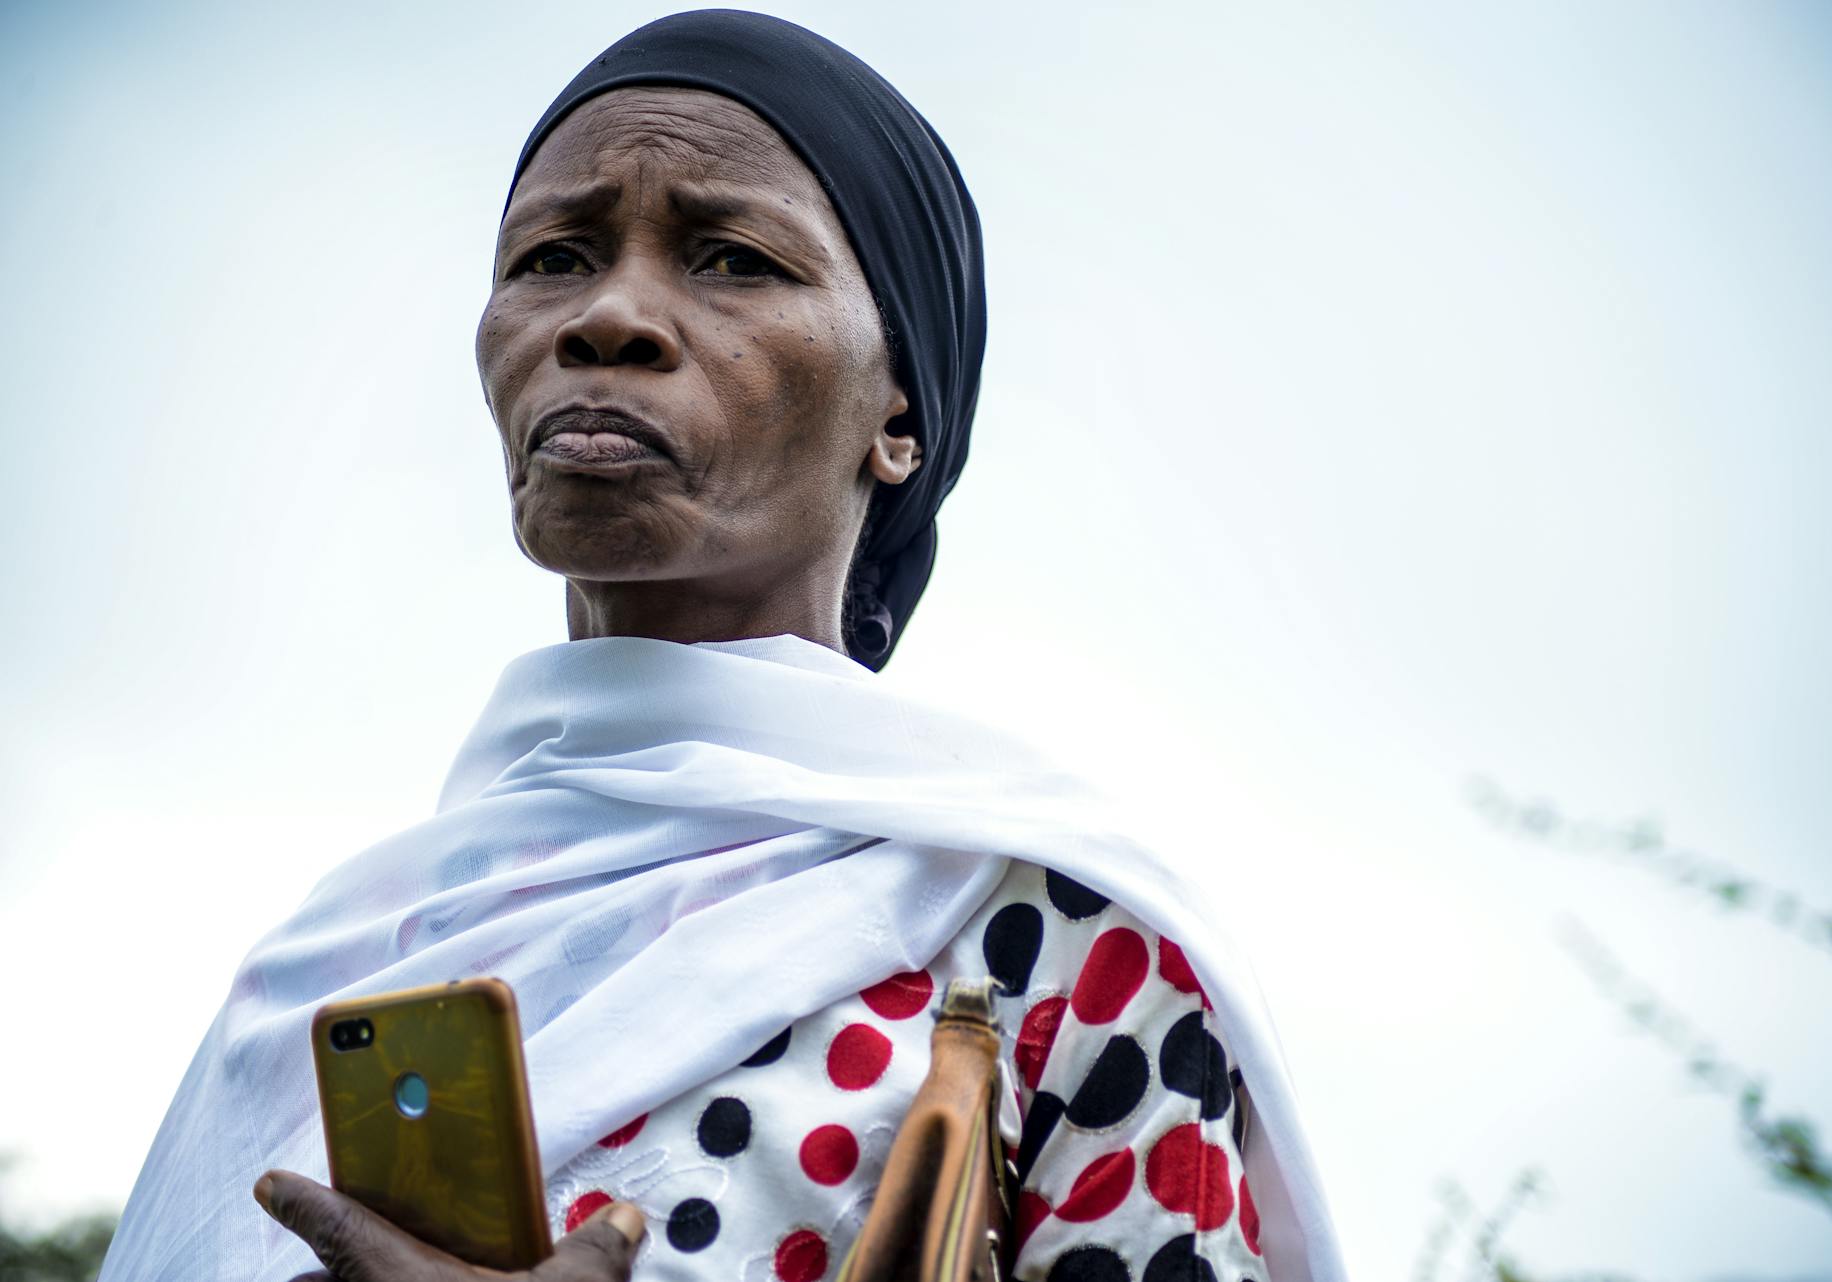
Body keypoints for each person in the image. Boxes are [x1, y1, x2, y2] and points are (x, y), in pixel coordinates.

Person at [96, 11, 1346, 1282]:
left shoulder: (1046, 926)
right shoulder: (339, 963)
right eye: (552, 257)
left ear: (898, 413)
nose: (609, 316)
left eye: (734, 259)